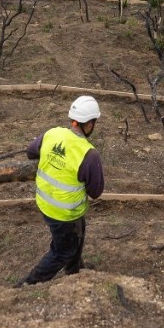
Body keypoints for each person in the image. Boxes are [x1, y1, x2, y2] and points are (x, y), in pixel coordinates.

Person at [18, 96, 105, 286]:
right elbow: (95, 192)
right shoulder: (89, 154)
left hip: (45, 203)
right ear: (89, 125)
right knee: (62, 251)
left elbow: (31, 151)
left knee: (78, 232)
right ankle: (29, 284)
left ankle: (75, 270)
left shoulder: (53, 134)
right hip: (65, 214)